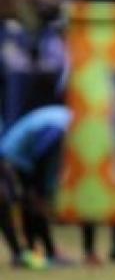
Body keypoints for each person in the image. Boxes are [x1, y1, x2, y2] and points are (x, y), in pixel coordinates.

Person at [0, 105, 73, 268]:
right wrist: (40, 188)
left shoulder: (65, 120)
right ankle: (37, 253)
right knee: (29, 202)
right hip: (14, 158)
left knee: (29, 202)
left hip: (18, 156)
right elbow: (43, 151)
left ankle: (34, 251)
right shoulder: (62, 126)